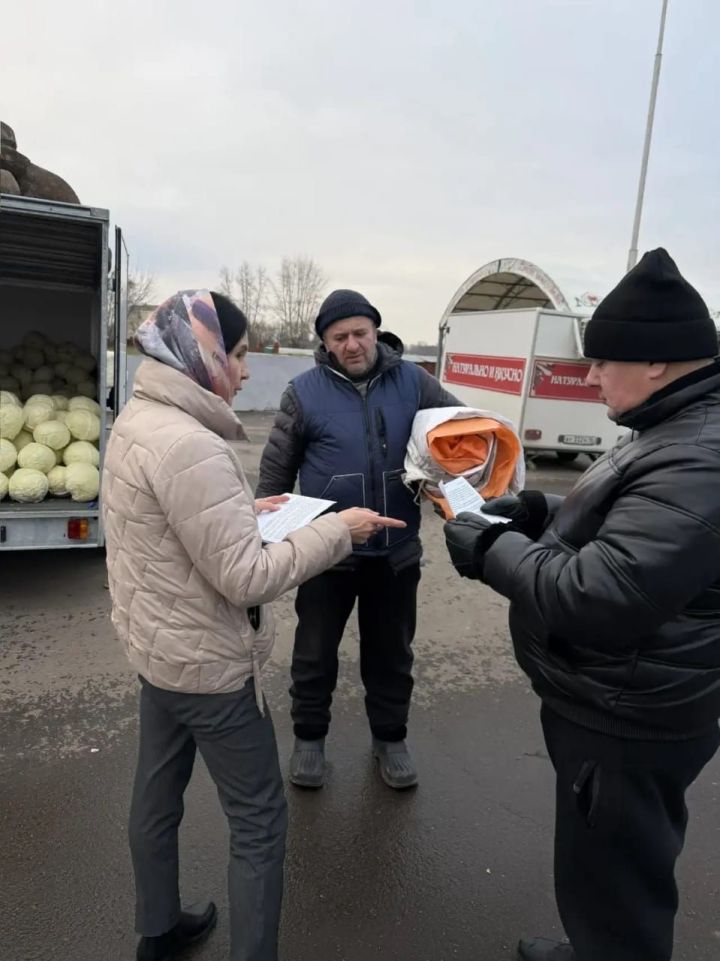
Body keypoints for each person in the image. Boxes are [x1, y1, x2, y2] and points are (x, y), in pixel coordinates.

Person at [103, 289, 404, 961]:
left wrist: (245, 506)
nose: (243, 371)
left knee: (157, 795)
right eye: (236, 355)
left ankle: (158, 929)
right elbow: (245, 578)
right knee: (260, 823)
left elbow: (171, 530)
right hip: (211, 668)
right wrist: (337, 532)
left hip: (159, 650)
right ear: (202, 354)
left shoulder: (140, 418)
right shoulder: (192, 445)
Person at [444, 249, 720, 961]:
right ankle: (591, 943)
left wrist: (489, 551)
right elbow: (639, 521)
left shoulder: (701, 454)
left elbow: (601, 595)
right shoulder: (680, 430)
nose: (589, 376)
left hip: (629, 718)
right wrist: (542, 509)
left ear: (655, 362)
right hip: (623, 698)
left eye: (601, 362)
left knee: (620, 882)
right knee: (600, 867)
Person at [256, 289, 461, 790]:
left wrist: (446, 479)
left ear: (376, 332)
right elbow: (275, 475)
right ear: (325, 343)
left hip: (396, 552)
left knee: (392, 653)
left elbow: (461, 431)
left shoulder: (414, 381)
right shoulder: (303, 392)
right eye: (340, 336)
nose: (352, 344)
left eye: (360, 333)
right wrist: (266, 536)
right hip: (328, 551)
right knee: (314, 652)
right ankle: (309, 738)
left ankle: (390, 739)